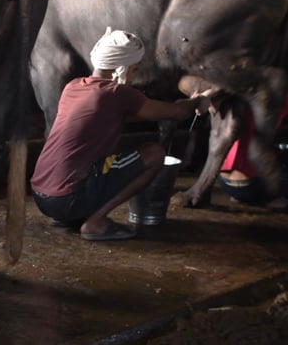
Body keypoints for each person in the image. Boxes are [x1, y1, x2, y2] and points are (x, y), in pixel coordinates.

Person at [30, 27, 211, 241]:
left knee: (100, 162)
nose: (133, 75)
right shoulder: (117, 94)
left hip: (42, 197)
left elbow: (113, 115)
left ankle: (67, 217)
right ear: (122, 67)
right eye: (134, 69)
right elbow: (176, 112)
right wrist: (197, 100)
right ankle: (95, 222)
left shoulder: (73, 87)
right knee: (154, 154)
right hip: (67, 199)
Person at [217, 90, 288, 210]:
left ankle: (241, 196)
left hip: (225, 183)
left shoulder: (240, 90)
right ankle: (281, 197)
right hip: (255, 189)